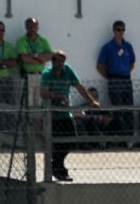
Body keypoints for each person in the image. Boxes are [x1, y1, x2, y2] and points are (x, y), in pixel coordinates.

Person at [41, 50, 99, 182]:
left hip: (65, 112)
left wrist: (92, 101)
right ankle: (60, 170)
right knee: (57, 142)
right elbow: (43, 93)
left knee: (71, 139)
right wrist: (58, 96)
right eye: (57, 60)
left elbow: (79, 86)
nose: (59, 63)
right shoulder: (47, 74)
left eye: (62, 60)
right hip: (51, 113)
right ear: (52, 61)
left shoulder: (68, 71)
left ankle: (55, 165)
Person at [97, 20, 136, 143]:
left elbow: (132, 63)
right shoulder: (107, 47)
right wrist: (110, 77)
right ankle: (120, 135)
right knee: (117, 107)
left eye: (123, 30)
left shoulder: (128, 46)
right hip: (114, 79)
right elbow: (99, 65)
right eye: (118, 30)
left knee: (128, 106)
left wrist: (124, 72)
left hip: (126, 79)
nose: (121, 32)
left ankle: (129, 135)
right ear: (113, 30)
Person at [16, 17, 54, 139]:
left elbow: (49, 56)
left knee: (38, 106)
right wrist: (39, 58)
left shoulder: (43, 41)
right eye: (29, 26)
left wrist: (33, 56)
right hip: (26, 76)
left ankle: (37, 135)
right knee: (26, 106)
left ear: (37, 27)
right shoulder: (21, 41)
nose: (32, 28)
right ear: (26, 27)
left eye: (34, 26)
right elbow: (24, 58)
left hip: (40, 76)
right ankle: (26, 135)